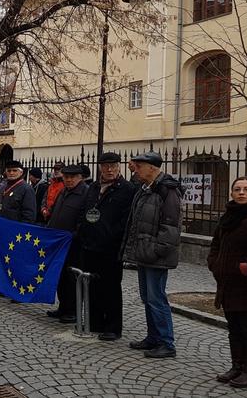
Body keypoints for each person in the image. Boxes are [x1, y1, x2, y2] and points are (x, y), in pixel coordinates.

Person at [122, 151, 182, 359]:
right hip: (143, 253)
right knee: (147, 298)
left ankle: (166, 342)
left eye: (139, 166)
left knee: (157, 299)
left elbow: (171, 226)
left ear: (152, 168)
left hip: (156, 255)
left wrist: (156, 250)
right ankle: (153, 337)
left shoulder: (168, 190)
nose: (135, 170)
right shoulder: (145, 188)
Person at [79, 152, 136, 341]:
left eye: (113, 166)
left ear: (119, 167)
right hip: (90, 245)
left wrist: (112, 236)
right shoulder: (93, 187)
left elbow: (126, 219)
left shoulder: (127, 189)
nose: (109, 169)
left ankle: (113, 327)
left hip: (111, 247)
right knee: (92, 285)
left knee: (111, 288)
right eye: (105, 166)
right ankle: (95, 321)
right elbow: (85, 211)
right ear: (100, 167)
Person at [208, 176, 247, 387]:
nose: (241, 193)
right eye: (237, 189)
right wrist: (214, 264)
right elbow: (216, 244)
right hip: (227, 283)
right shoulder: (227, 217)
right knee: (234, 327)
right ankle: (237, 366)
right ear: (232, 193)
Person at [46, 164, 89, 323]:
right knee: (61, 276)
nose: (69, 180)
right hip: (58, 242)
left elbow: (85, 220)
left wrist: (75, 235)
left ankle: (73, 311)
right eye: (66, 177)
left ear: (80, 177)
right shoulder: (63, 191)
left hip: (73, 244)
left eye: (72, 177)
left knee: (72, 278)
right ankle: (63, 306)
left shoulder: (85, 193)